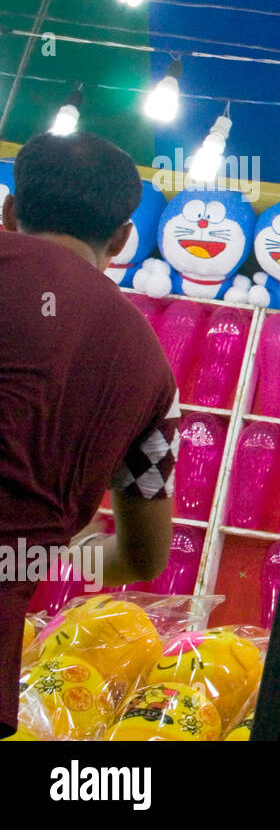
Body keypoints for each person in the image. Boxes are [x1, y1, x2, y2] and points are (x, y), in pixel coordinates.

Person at [1, 131, 178, 739]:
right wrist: (37, 547)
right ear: (125, 238)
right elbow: (142, 557)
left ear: (9, 210)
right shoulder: (153, 372)